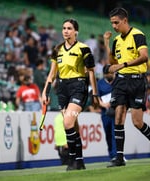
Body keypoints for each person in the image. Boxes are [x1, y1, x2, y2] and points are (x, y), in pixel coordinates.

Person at [103, 7, 150, 167]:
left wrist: (124, 64)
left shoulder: (137, 35)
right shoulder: (116, 40)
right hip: (121, 81)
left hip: (137, 81)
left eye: (116, 23)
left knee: (137, 122)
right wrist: (106, 43)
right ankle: (119, 157)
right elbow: (113, 63)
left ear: (124, 20)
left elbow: (144, 57)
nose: (114, 26)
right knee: (118, 116)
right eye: (112, 23)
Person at [41, 18, 99, 171]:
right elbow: (52, 74)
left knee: (67, 122)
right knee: (73, 125)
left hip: (78, 87)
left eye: (69, 28)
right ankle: (80, 161)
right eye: (64, 28)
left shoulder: (84, 49)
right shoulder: (57, 49)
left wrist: (94, 93)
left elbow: (91, 72)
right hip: (62, 90)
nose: (66, 31)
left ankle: (72, 158)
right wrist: (45, 92)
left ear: (76, 31)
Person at [97, 66, 117, 165]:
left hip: (116, 111)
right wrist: (104, 104)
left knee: (116, 133)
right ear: (104, 74)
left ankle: (117, 155)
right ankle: (112, 155)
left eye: (111, 73)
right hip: (105, 112)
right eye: (108, 73)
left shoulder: (117, 81)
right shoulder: (99, 83)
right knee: (108, 134)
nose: (110, 75)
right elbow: (96, 98)